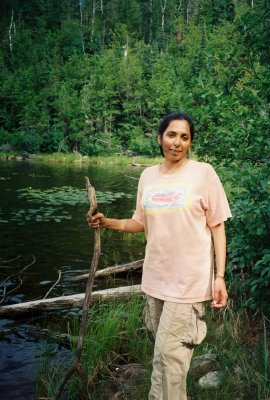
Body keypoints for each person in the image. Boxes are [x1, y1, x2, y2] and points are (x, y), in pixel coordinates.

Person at [87, 111, 232, 400]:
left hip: (189, 282)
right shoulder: (148, 176)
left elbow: (217, 228)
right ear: (160, 137)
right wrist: (108, 222)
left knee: (171, 356)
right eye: (171, 134)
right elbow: (140, 223)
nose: (177, 142)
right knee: (162, 355)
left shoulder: (203, 173)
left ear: (190, 143)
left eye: (184, 137)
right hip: (155, 279)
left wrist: (219, 277)